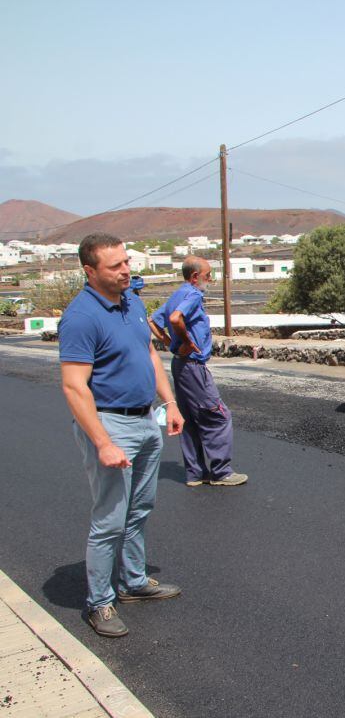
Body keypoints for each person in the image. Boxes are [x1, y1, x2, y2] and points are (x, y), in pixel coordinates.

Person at [58, 233, 185, 638]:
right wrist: (103, 442)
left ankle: (133, 582)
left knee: (140, 508)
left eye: (126, 262)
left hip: (146, 419)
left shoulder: (132, 301)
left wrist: (169, 404)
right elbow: (75, 387)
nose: (126, 270)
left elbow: (149, 353)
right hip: (110, 424)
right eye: (115, 266)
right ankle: (100, 604)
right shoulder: (80, 317)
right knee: (110, 519)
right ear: (89, 271)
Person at [150, 257, 247, 488]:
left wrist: (168, 341)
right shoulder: (193, 295)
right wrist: (186, 342)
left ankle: (195, 473)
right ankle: (221, 472)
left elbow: (153, 321)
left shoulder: (177, 294)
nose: (210, 279)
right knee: (217, 415)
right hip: (193, 365)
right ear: (195, 277)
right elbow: (175, 318)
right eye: (208, 275)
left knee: (191, 418)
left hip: (180, 365)